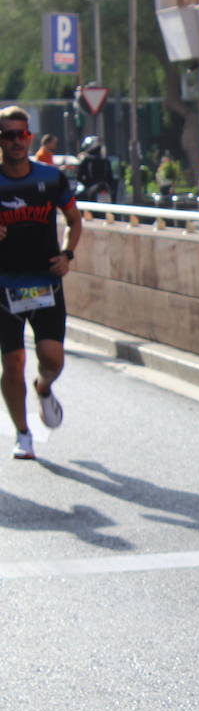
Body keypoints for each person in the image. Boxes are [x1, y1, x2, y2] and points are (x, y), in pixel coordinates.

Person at [0, 107, 81, 460]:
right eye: (8, 135)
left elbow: (75, 220)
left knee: (53, 359)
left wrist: (68, 255)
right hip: (4, 287)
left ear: (30, 137)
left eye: (22, 134)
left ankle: (44, 388)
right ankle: (23, 434)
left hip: (46, 282)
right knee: (13, 361)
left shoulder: (50, 178)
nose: (16, 141)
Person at [75, 136, 115, 203]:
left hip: (91, 185)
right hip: (105, 186)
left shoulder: (87, 160)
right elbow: (110, 176)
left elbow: (80, 175)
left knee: (77, 196)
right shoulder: (105, 160)